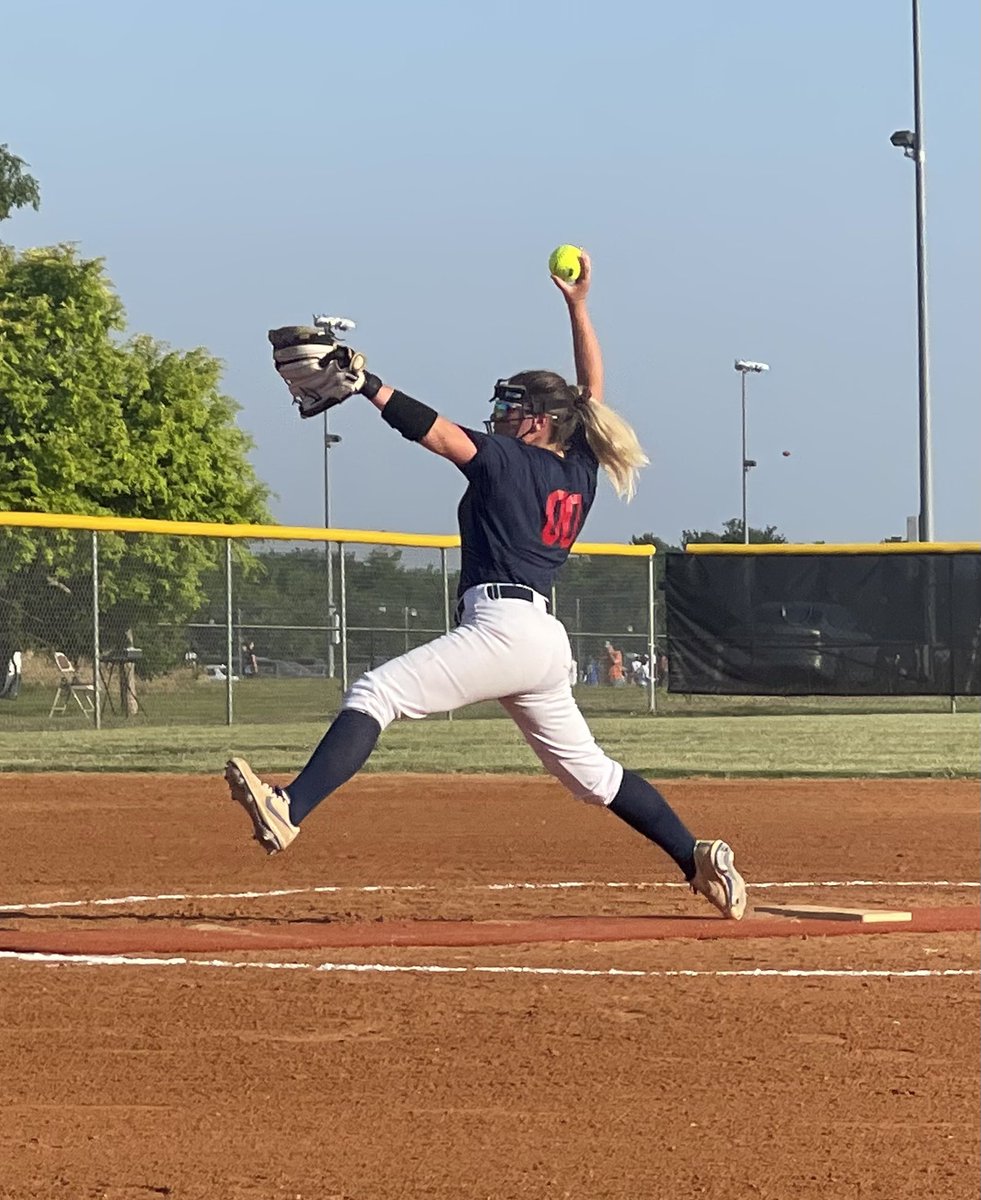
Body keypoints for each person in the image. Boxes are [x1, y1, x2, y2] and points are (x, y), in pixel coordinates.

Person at [225, 251, 746, 919]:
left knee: (375, 693)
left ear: (541, 421)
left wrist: (369, 385)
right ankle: (694, 856)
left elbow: (437, 434)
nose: (500, 414)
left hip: (503, 630)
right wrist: (579, 307)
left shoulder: (507, 459)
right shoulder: (578, 468)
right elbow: (589, 393)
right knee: (593, 777)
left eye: (512, 406)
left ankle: (290, 806)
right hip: (539, 640)